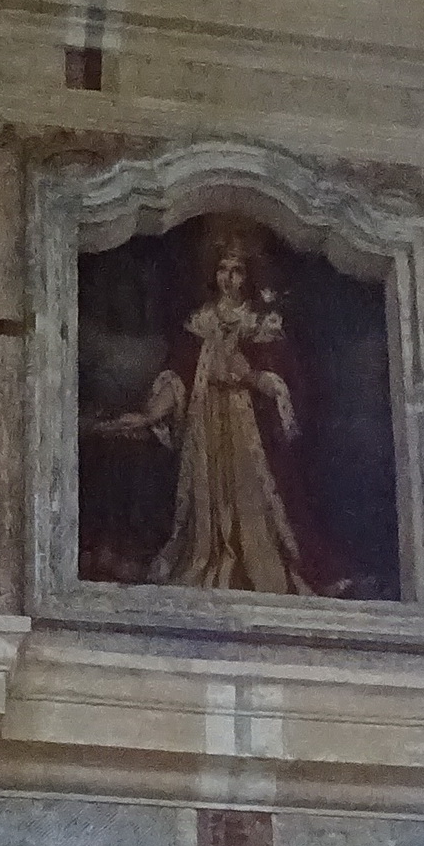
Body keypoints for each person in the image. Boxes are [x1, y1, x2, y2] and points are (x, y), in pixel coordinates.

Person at [92, 213, 310, 593]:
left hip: (246, 424)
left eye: (237, 271)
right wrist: (151, 413)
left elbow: (280, 378)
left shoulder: (262, 323)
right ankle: (209, 552)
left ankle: (259, 559)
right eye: (223, 269)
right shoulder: (201, 321)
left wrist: (252, 376)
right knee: (208, 504)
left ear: (249, 275)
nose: (229, 278)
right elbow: (180, 373)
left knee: (254, 499)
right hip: (206, 420)